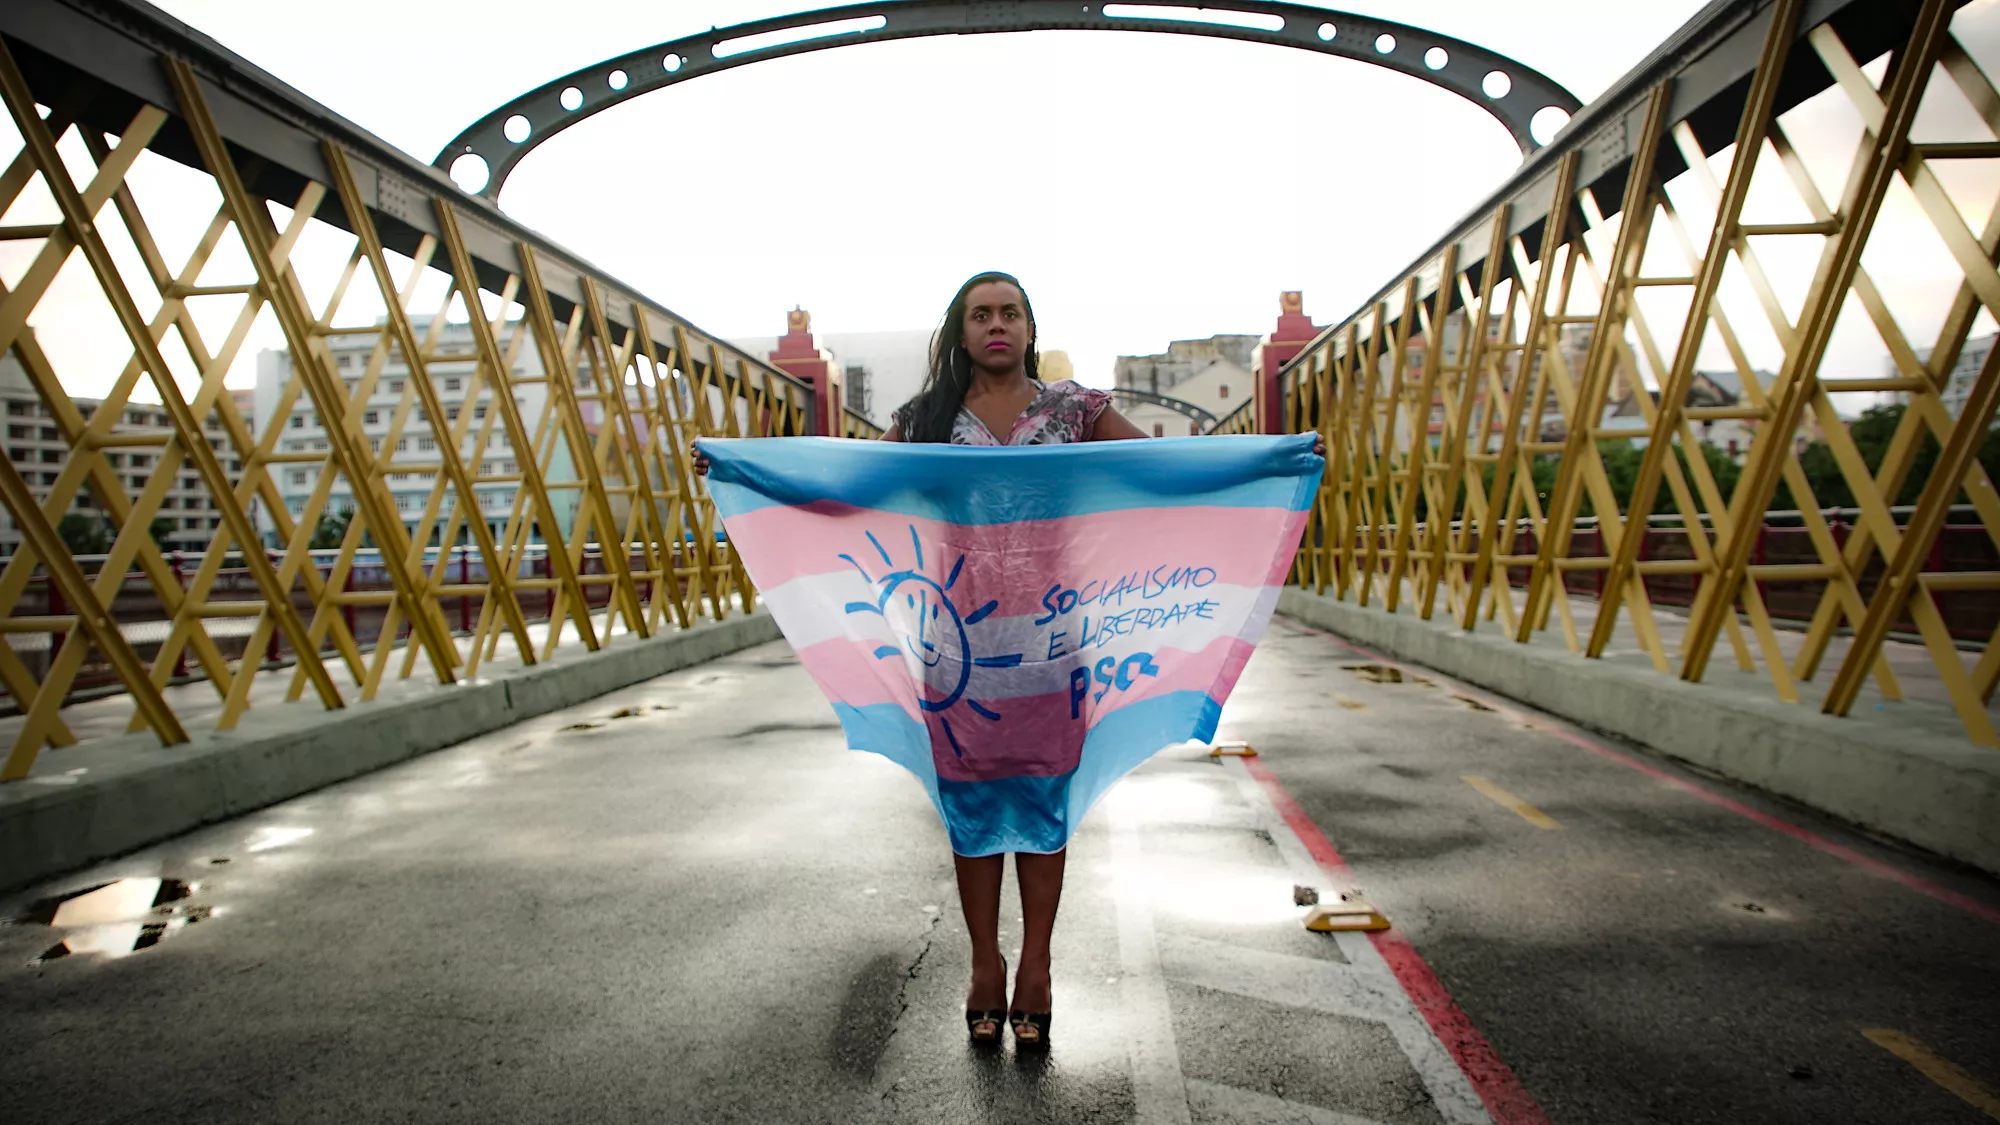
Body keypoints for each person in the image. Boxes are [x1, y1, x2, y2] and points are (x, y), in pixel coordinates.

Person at [694, 271, 1320, 1052]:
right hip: (956, 653)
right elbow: (849, 488)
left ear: (1029, 326)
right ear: (960, 333)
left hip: (1056, 645)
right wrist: (747, 474)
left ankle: (1037, 967)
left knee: (1043, 811)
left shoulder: (1075, 411)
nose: (996, 324)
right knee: (972, 811)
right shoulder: (926, 420)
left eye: (1009, 312)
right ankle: (984, 964)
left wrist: (1276, 460)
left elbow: (1166, 466)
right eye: (980, 314)